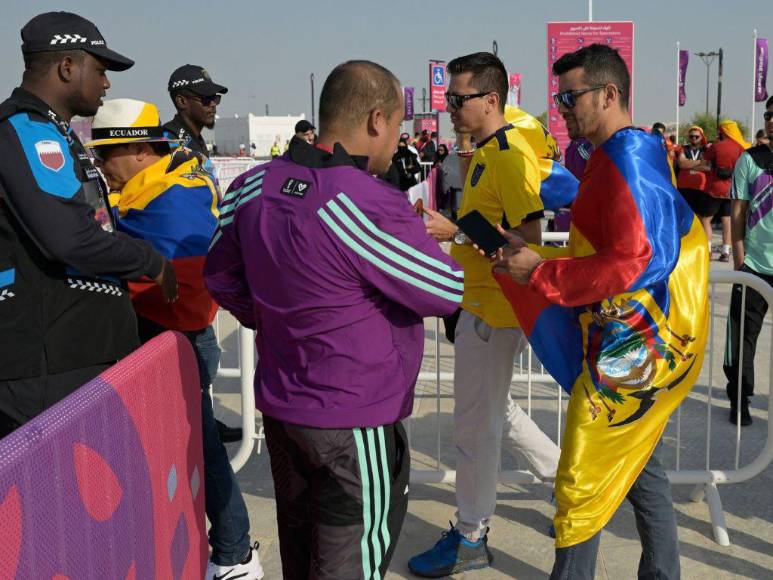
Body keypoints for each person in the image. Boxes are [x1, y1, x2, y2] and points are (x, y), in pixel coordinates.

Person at [205, 60, 463, 579]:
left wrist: (281, 323)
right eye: (396, 125)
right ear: (375, 120)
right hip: (355, 417)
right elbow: (444, 290)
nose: (396, 141)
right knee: (352, 563)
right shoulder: (366, 202)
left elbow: (221, 276)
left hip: (283, 408)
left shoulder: (251, 187)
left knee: (302, 557)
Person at [494, 43, 708, 580]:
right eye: (558, 98)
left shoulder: (630, 161)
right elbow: (609, 224)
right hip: (631, 336)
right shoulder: (617, 156)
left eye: (571, 97)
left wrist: (539, 273)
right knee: (641, 469)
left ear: (609, 94)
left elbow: (639, 260)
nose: (562, 109)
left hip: (638, 344)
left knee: (581, 472)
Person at [86, 98, 263, 580]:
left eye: (106, 155)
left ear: (141, 149)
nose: (102, 166)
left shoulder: (171, 201)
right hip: (170, 338)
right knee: (178, 452)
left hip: (176, 340)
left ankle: (235, 554)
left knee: (200, 450)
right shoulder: (160, 186)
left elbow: (185, 290)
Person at [408, 52, 560, 577]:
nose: (448, 107)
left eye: (457, 99)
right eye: (447, 98)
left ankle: (471, 534)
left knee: (475, 430)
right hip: (480, 305)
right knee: (498, 415)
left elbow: (530, 247)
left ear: (490, 100)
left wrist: (458, 233)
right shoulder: (488, 152)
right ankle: (572, 486)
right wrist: (456, 229)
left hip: (495, 311)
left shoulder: (510, 154)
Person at [0, 12, 176, 437]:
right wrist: (150, 261)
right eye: (99, 69)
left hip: (71, 354)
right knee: (49, 500)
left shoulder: (51, 130)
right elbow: (69, 238)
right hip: (47, 367)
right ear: (66, 67)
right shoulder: (26, 129)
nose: (107, 82)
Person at [723, 96, 773, 426]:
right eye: (769, 114)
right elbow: (738, 214)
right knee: (742, 340)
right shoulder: (749, 161)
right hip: (755, 265)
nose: (770, 120)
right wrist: (740, 262)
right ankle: (740, 399)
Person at [700, 120, 749, 261]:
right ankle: (726, 252)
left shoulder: (716, 146)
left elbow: (704, 162)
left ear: (722, 132)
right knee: (727, 220)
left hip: (715, 188)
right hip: (731, 189)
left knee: (706, 219)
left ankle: (708, 249)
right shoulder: (740, 147)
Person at [163, 64, 227, 157]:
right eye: (206, 98)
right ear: (181, 101)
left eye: (215, 98)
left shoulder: (196, 140)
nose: (213, 104)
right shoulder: (168, 141)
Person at [677, 126, 713, 236]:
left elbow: (708, 167)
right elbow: (681, 163)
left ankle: (706, 246)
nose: (693, 139)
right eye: (691, 136)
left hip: (701, 187)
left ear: (701, 137)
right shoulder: (684, 148)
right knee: (685, 216)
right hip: (684, 187)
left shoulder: (706, 150)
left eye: (696, 136)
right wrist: (699, 162)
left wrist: (690, 164)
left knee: (701, 219)